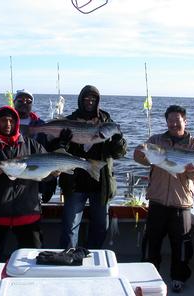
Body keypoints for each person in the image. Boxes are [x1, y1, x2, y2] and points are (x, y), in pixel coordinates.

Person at [0, 106, 58, 292]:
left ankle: (33, 291)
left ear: (17, 122)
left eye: (11, 120)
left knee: (33, 260)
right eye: (3, 120)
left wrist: (53, 174)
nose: (8, 124)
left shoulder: (32, 145)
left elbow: (47, 170)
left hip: (28, 213)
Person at [133, 105, 194, 293]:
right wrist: (140, 153)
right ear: (166, 121)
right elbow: (140, 158)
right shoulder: (156, 140)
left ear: (185, 121)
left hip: (181, 203)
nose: (174, 124)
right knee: (151, 242)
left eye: (177, 120)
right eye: (170, 120)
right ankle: (148, 277)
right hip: (157, 200)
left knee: (182, 244)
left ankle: (178, 277)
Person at [57, 85, 127, 249]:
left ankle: (90, 257)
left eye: (93, 98)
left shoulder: (107, 123)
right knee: (69, 227)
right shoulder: (70, 120)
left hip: (100, 184)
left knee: (101, 227)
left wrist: (118, 141)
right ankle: (68, 257)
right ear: (80, 100)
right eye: (86, 98)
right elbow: (57, 151)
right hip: (75, 183)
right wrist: (62, 143)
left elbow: (119, 154)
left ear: (98, 101)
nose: (90, 101)